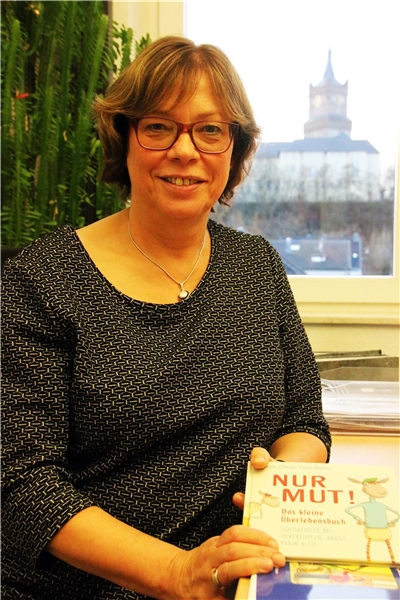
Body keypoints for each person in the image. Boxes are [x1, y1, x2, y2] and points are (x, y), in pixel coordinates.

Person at [1, 36, 331, 600]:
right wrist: (178, 572)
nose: (185, 150)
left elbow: (305, 422)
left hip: (238, 580)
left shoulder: (256, 265)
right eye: (159, 127)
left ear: (234, 149)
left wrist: (276, 484)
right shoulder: (42, 279)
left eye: (210, 130)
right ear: (123, 138)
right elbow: (21, 487)